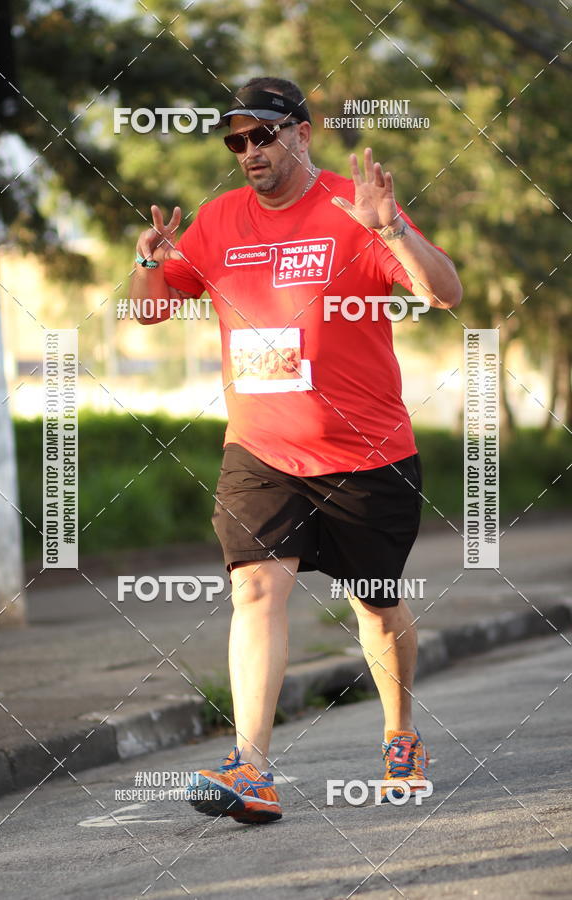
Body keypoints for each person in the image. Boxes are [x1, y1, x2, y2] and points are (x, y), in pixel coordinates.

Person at [131, 76, 462, 824]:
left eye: (264, 134)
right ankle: (250, 766)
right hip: (261, 450)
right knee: (255, 588)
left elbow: (446, 293)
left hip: (367, 453)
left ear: (301, 134)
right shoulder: (216, 222)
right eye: (236, 140)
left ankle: (402, 733)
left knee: (375, 606)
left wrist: (392, 232)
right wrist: (149, 258)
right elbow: (150, 311)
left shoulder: (355, 209)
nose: (249, 150)